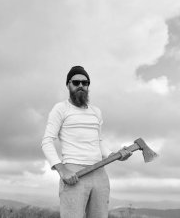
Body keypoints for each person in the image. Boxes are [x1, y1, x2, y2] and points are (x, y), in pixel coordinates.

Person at [41, 66, 132, 218]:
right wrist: (62, 170)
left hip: (100, 172)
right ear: (68, 84)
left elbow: (98, 141)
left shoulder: (96, 112)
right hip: (74, 174)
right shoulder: (60, 109)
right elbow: (47, 141)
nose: (81, 86)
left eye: (85, 82)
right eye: (76, 82)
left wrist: (115, 154)